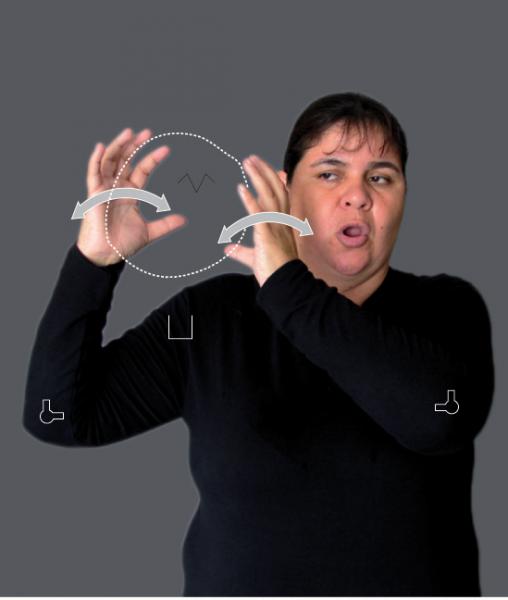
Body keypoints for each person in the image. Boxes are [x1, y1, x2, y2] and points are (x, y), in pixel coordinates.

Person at [23, 92, 495, 596]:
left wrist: (289, 288)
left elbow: (440, 421)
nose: (358, 195)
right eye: (329, 173)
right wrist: (93, 262)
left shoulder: (448, 309)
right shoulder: (210, 319)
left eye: (380, 178)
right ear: (286, 191)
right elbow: (58, 416)